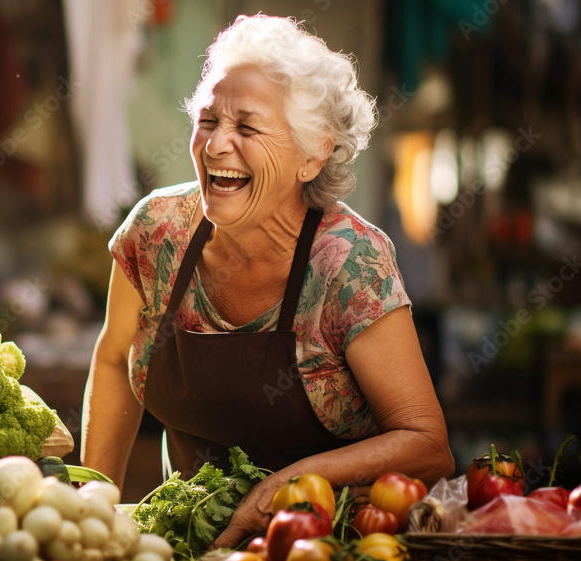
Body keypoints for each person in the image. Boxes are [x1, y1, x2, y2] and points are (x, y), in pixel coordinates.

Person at [80, 13, 454, 547]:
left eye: (246, 127)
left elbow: (427, 445)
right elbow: (116, 358)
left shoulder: (348, 264)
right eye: (208, 121)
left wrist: (284, 489)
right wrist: (92, 515)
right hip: (190, 546)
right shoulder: (157, 232)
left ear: (312, 154)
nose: (215, 145)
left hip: (329, 546)